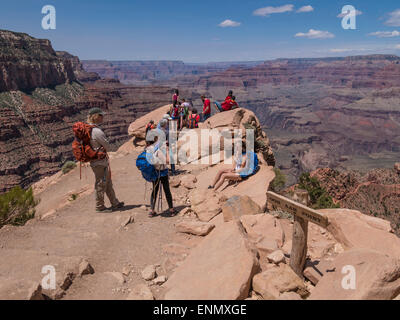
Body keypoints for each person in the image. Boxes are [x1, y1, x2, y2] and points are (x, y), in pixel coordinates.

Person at [87, 108, 124, 212]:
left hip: (97, 161)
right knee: (100, 183)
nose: (102, 117)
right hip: (99, 162)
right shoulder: (96, 131)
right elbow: (107, 146)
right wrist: (104, 146)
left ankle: (115, 203)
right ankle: (100, 207)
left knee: (107, 182)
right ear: (96, 116)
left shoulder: (89, 129)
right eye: (101, 115)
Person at [145, 135, 175, 217]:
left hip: (154, 173)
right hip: (162, 173)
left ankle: (152, 210)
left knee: (154, 190)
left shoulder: (147, 149)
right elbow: (167, 161)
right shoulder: (158, 149)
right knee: (167, 191)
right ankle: (171, 209)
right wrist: (168, 150)